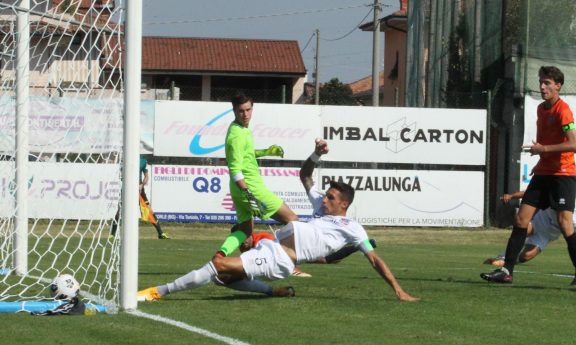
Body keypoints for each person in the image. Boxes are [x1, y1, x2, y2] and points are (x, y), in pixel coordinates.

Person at [138, 139, 419, 302]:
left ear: (344, 204)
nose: (324, 199)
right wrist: (316, 155)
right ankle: (275, 292)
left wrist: (398, 289)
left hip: (281, 258)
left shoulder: (354, 229)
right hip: (271, 246)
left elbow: (375, 260)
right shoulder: (321, 207)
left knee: (218, 265)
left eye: (331, 197)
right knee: (224, 278)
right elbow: (305, 175)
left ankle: (157, 292)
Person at [481, 66, 576, 285]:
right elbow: (546, 144)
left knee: (565, 223)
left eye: (547, 83)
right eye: (541, 82)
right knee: (521, 219)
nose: (542, 87)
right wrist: (541, 159)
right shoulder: (541, 109)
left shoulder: (562, 110)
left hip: (562, 174)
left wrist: (543, 151)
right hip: (544, 172)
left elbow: (573, 144)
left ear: (558, 85)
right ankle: (507, 271)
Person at [215, 92, 297, 258]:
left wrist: (266, 151)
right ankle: (287, 259)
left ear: (252, 109)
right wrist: (248, 193)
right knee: (294, 221)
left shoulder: (240, 128)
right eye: (241, 111)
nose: (245, 114)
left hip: (240, 190)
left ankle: (220, 256)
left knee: (245, 233)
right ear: (234, 111)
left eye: (248, 110)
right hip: (250, 188)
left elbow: (246, 154)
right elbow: (235, 168)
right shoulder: (237, 135)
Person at [483, 191, 576, 268]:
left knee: (526, 256)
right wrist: (512, 196)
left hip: (546, 236)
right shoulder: (551, 198)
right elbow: (529, 193)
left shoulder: (575, 221)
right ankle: (503, 258)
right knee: (523, 231)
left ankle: (510, 259)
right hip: (538, 222)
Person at [110, 156, 169, 240]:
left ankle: (161, 233)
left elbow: (146, 177)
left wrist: (142, 185)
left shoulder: (143, 161)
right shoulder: (125, 160)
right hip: (127, 189)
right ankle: (112, 234)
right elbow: (121, 175)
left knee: (148, 210)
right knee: (119, 211)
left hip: (139, 191)